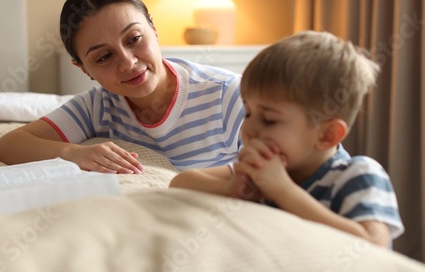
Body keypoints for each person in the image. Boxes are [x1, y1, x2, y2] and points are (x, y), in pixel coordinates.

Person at [169, 31, 404, 248]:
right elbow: (180, 182)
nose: (248, 128)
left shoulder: (358, 175)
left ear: (327, 135)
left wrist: (283, 190)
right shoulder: (258, 171)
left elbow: (375, 246)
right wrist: (231, 188)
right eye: (248, 112)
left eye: (269, 119)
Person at [0, 0, 243, 173]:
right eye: (103, 57)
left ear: (153, 29)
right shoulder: (98, 106)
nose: (128, 63)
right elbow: (7, 146)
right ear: (84, 69)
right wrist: (74, 153)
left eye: (134, 39)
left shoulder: (228, 95)